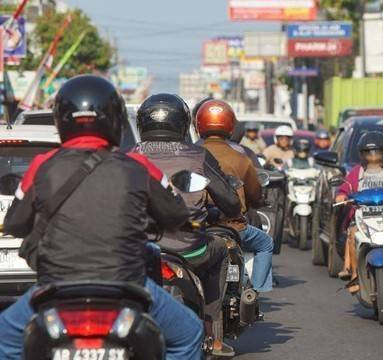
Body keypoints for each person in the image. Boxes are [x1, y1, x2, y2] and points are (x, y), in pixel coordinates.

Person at [0, 75, 203, 359]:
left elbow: (14, 224)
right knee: (189, 333)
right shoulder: (138, 166)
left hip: (56, 287)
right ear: (115, 118)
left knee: (6, 341)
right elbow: (175, 214)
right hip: (126, 285)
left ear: (62, 119)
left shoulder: (42, 166)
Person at [134, 93, 241, 357]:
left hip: (138, 248)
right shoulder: (197, 156)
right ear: (183, 124)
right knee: (222, 252)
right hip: (189, 249)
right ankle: (212, 334)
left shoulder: (128, 157)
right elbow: (231, 203)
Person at [196, 99, 274, 294]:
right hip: (234, 228)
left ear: (199, 125)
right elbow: (254, 193)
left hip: (199, 227)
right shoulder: (241, 157)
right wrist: (257, 201)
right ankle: (254, 292)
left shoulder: (191, 153)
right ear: (231, 125)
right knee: (266, 243)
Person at [334, 131, 383, 309]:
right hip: (363, 218)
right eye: (369, 152)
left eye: (377, 152)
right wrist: (341, 196)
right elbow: (344, 188)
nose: (373, 157)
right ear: (362, 154)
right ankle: (355, 273)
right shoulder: (356, 172)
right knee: (353, 233)